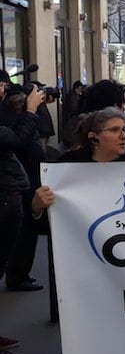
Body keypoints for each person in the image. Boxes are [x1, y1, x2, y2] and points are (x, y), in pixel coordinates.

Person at [0, 80, 46, 295]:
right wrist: (30, 109)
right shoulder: (12, 119)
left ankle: (17, 274)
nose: (3, 90)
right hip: (9, 190)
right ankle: (17, 275)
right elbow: (17, 140)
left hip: (17, 184)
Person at [59, 107, 125, 165]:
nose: (124, 136)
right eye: (115, 130)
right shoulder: (69, 163)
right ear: (93, 137)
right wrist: (41, 202)